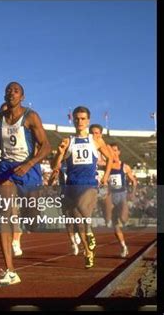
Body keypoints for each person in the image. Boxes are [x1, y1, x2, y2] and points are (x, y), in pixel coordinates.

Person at [0, 81, 51, 286]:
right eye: (8, 90)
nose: (11, 93)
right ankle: (10, 270)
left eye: (15, 91)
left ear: (22, 97)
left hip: (28, 169)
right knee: (3, 215)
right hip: (6, 169)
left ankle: (28, 216)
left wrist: (30, 163)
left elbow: (47, 146)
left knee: (32, 219)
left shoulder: (31, 116)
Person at [49, 106, 112, 269]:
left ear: (88, 121)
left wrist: (105, 176)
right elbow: (54, 166)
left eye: (83, 119)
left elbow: (111, 159)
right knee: (79, 223)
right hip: (72, 185)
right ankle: (88, 252)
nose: (80, 121)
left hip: (89, 184)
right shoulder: (68, 141)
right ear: (73, 120)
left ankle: (90, 230)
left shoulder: (95, 140)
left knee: (82, 207)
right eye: (77, 118)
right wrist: (59, 152)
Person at [108, 143, 137, 257]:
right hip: (111, 197)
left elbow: (133, 181)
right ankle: (123, 246)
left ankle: (125, 218)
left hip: (122, 195)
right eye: (111, 151)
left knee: (122, 219)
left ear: (119, 152)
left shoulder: (124, 166)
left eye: (115, 150)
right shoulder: (107, 166)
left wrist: (132, 193)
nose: (113, 153)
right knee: (115, 226)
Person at [89, 124, 115, 228]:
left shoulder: (105, 146)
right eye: (92, 133)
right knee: (89, 202)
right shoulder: (88, 144)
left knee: (106, 203)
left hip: (102, 176)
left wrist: (105, 175)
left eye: (96, 133)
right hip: (90, 176)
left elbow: (112, 161)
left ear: (100, 134)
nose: (94, 135)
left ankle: (108, 222)